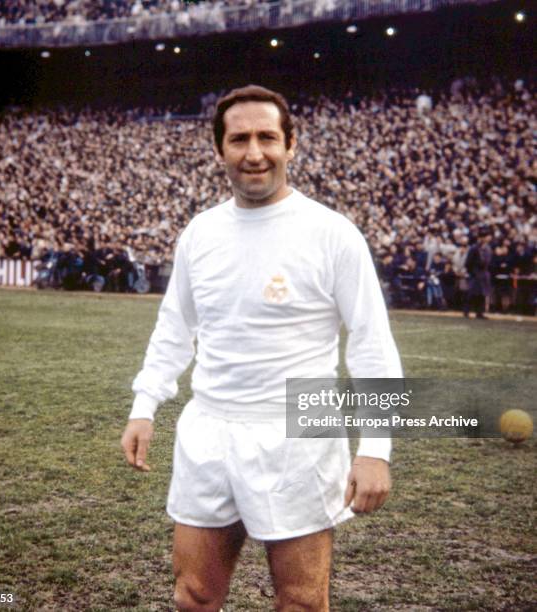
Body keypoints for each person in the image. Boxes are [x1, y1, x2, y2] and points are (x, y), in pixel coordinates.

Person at [121, 85, 402, 611]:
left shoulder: (333, 234)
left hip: (298, 430)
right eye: (240, 139)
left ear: (291, 144)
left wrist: (375, 448)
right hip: (210, 429)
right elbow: (174, 327)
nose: (255, 152)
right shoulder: (199, 234)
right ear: (219, 150)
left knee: (300, 603)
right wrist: (145, 405)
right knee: (194, 596)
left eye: (268, 137)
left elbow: (371, 343)